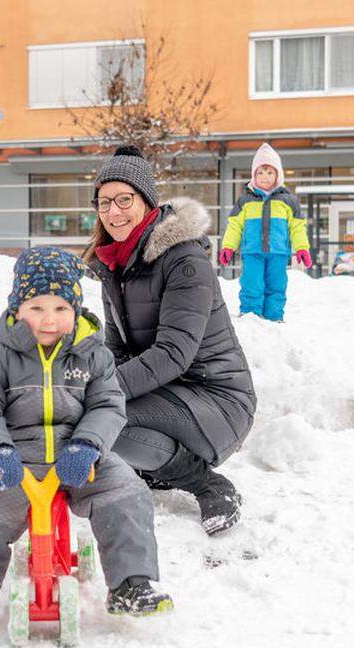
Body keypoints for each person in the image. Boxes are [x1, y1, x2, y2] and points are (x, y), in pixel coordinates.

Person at [0, 246, 172, 636]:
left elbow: (108, 405)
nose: (49, 320)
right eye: (37, 309)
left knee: (126, 491)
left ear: (76, 311)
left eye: (61, 310)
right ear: (18, 309)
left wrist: (89, 444)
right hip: (18, 459)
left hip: (80, 455)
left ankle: (132, 582)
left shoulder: (93, 356)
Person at [84, 145, 257, 536]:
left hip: (218, 400)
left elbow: (173, 354)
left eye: (124, 199)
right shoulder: (115, 263)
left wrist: (102, 393)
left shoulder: (184, 259)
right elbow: (117, 349)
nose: (114, 212)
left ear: (146, 200)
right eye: (104, 202)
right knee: (93, 409)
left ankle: (208, 483)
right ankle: (155, 470)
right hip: (170, 392)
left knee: (107, 416)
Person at [219, 142, 312, 321]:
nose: (265, 177)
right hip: (252, 252)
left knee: (276, 286)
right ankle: (251, 317)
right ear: (254, 175)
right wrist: (228, 246)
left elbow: (297, 227)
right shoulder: (245, 200)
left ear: (278, 174)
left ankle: (274, 317)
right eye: (260, 172)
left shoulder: (288, 201)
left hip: (278, 252)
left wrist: (302, 248)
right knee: (251, 284)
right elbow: (234, 226)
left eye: (270, 172)